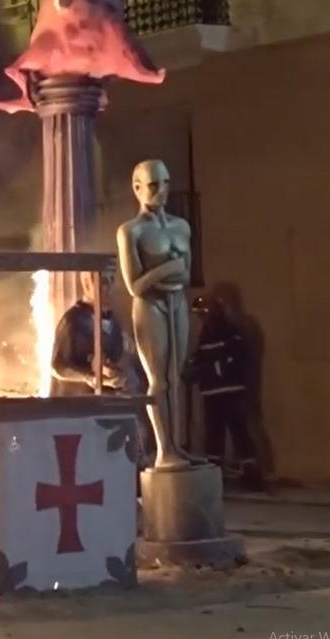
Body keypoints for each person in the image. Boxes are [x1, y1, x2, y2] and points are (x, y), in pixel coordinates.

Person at [116, 159, 204, 469]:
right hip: (150, 305)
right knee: (158, 380)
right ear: (137, 188)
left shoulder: (182, 227)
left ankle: (178, 445)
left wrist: (170, 274)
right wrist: (168, 268)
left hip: (176, 301)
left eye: (166, 183)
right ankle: (165, 449)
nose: (162, 191)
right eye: (154, 185)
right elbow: (135, 285)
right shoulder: (130, 232)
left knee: (174, 377)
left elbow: (187, 274)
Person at [184, 295, 265, 491]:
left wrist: (210, 368)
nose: (201, 318)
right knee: (214, 435)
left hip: (231, 392)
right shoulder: (207, 333)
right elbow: (202, 358)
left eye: (202, 313)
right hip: (212, 394)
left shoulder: (229, 331)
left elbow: (235, 359)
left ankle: (250, 475)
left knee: (239, 433)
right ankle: (215, 475)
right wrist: (192, 368)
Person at [50, 269, 131, 396]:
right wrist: (90, 378)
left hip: (104, 405)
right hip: (74, 406)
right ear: (87, 284)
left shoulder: (114, 323)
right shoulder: (73, 321)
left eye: (112, 280)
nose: (109, 287)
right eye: (104, 281)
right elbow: (58, 367)